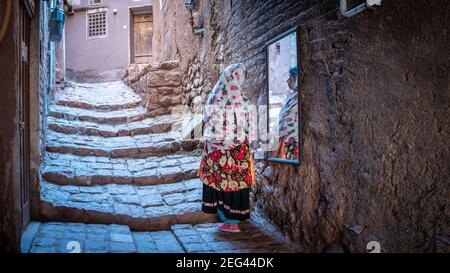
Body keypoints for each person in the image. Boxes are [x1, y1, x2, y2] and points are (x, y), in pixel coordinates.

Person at [197, 63, 256, 233]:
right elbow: (248, 123)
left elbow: (207, 120)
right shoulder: (241, 98)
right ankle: (233, 220)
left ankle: (228, 220)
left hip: (217, 150)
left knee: (220, 180)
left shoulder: (216, 95)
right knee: (235, 182)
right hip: (238, 151)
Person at [272, 66, 299, 160]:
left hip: (291, 144)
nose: (287, 81)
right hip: (284, 141)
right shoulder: (292, 97)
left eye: (290, 78)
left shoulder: (298, 99)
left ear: (296, 80)